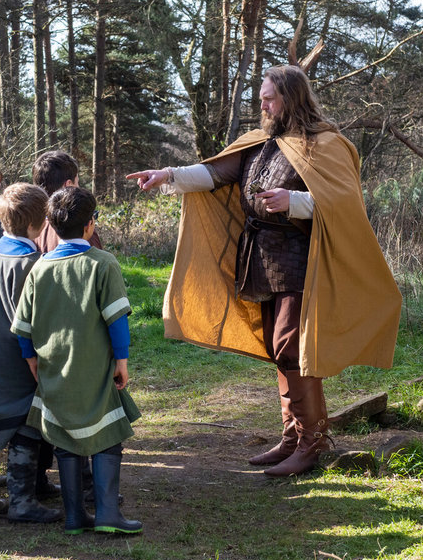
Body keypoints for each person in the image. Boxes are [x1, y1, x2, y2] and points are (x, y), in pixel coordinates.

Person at [128, 64, 401, 477]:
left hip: (305, 259)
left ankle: (313, 442)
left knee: (290, 345)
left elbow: (343, 206)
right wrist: (167, 175)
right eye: (261, 99)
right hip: (262, 258)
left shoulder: (326, 144)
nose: (263, 105)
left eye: (269, 98)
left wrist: (293, 201)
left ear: (291, 97)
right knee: (280, 349)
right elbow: (216, 173)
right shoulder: (261, 142)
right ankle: (294, 436)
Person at [13, 186, 142, 535]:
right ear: (90, 224)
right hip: (95, 369)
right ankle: (107, 515)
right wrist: (122, 361)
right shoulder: (103, 263)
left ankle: (74, 516)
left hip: (53, 368)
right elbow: (117, 319)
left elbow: (23, 327)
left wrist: (31, 361)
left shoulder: (39, 269)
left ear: (50, 226)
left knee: (64, 440)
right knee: (108, 436)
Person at [0, 182, 60, 523]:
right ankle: (22, 501)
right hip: (21, 357)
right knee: (26, 424)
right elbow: (33, 319)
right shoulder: (33, 261)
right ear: (40, 223)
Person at [30, 150, 104, 254]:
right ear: (68, 185)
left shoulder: (29, 226)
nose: (79, 188)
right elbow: (98, 265)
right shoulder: (80, 227)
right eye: (77, 183)